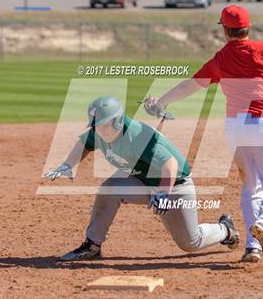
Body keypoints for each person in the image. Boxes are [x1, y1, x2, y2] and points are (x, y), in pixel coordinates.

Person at [144, 5, 263, 263]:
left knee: (250, 185)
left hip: (236, 128)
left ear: (224, 30)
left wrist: (161, 102)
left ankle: (253, 246)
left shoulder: (220, 59)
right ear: (248, 27)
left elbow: (191, 85)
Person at [44, 96, 240, 261]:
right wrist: (67, 165)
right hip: (141, 181)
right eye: (96, 125)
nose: (99, 130)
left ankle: (225, 230)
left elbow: (170, 164)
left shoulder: (138, 135)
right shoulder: (100, 131)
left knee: (190, 242)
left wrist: (163, 193)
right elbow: (84, 143)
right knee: (109, 189)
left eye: (103, 125)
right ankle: (92, 246)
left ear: (118, 121)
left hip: (174, 185)